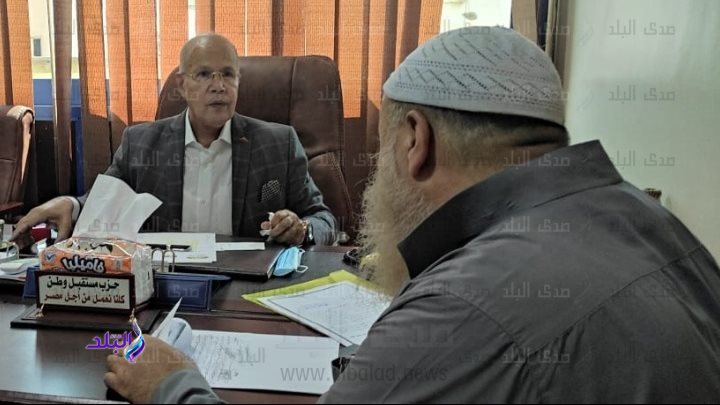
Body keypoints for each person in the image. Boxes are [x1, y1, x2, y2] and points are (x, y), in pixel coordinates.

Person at [104, 27, 720, 403]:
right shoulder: (655, 222)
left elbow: (323, 220)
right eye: (204, 74)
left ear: (416, 140)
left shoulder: (459, 304)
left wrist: (171, 387)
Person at [11, 33, 335, 247]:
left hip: (249, 288)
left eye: (228, 74)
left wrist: (303, 229)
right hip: (168, 284)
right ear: (181, 85)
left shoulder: (278, 143)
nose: (219, 86)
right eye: (204, 74)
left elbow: (324, 220)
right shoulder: (141, 144)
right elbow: (103, 202)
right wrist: (70, 204)